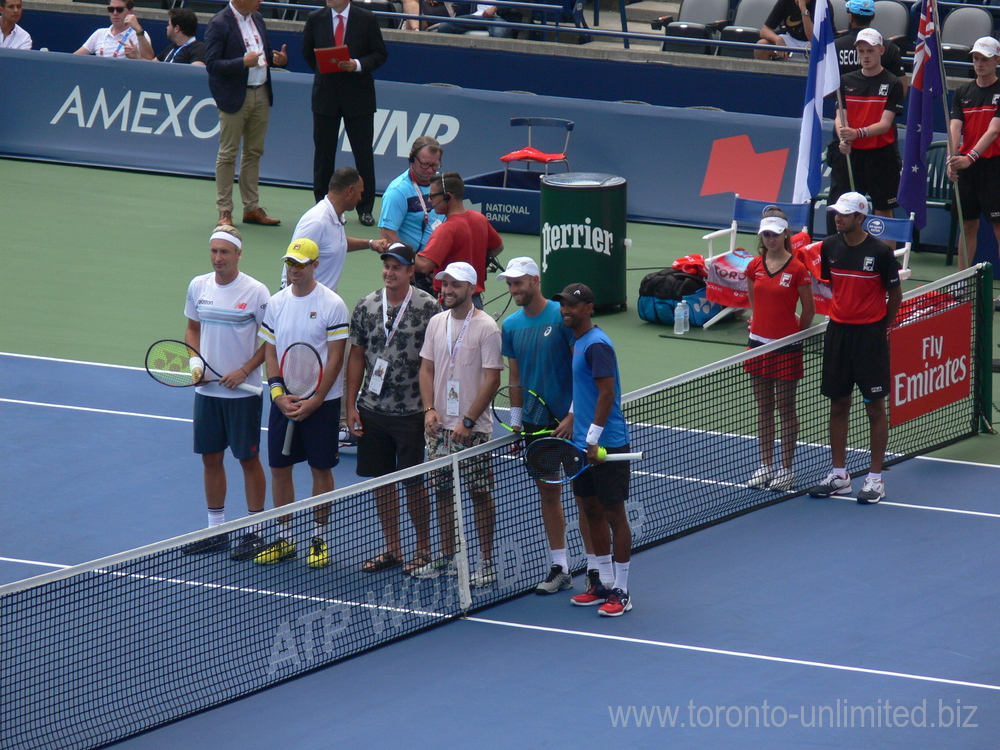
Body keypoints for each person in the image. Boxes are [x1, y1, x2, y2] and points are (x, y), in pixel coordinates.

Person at [497, 257, 597, 594]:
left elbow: (579, 368)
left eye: (519, 283)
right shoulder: (510, 325)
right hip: (534, 425)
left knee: (585, 497)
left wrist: (572, 414)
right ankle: (560, 567)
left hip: (571, 423)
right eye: (510, 284)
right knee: (549, 494)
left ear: (535, 281)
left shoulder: (561, 315)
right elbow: (514, 375)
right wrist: (515, 424)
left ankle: (595, 566)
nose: (514, 290)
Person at [345, 242, 440, 574]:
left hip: (412, 413)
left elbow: (435, 361)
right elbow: (356, 355)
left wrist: (432, 407)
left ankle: (424, 549)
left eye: (397, 267)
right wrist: (351, 406)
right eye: (386, 266)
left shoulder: (430, 307)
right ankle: (393, 549)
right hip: (372, 410)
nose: (389, 272)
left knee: (413, 483)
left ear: (410, 271)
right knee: (381, 482)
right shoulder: (366, 305)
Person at [257, 238, 350, 568]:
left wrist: (316, 400)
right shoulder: (276, 302)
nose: (293, 270)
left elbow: (337, 359)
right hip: (284, 400)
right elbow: (270, 351)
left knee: (320, 469)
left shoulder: (332, 304)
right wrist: (277, 394)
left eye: (300, 264)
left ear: (315, 266)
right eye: (290, 263)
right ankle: (285, 538)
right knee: (279, 469)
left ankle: (319, 538)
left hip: (321, 405)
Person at [182, 225, 270, 560]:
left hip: (244, 394)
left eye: (225, 252)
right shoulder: (198, 286)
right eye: (214, 251)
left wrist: (245, 370)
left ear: (238, 254)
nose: (218, 258)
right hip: (207, 393)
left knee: (248, 459)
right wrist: (196, 365)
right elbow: (192, 328)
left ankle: (255, 531)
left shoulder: (257, 292)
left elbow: (270, 340)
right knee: (210, 458)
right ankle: (216, 530)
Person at [809, 192, 901, 504]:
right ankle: (840, 476)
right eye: (837, 212)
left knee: (875, 407)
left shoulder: (880, 252)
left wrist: (881, 325)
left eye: (845, 214)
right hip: (838, 334)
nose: (838, 217)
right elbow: (835, 286)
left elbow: (895, 295)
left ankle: (875, 479)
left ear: (860, 218)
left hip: (870, 336)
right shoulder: (829, 246)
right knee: (838, 405)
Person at [416, 261, 504, 586]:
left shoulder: (487, 327)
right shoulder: (436, 322)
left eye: (455, 285)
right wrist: (429, 410)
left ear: (472, 288)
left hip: (474, 431)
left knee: (479, 493)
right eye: (445, 284)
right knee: (441, 492)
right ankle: (449, 557)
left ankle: (486, 562)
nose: (447, 290)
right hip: (439, 430)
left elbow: (492, 380)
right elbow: (426, 369)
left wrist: (467, 420)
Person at [554, 283, 634, 617]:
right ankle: (601, 582)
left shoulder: (597, 344)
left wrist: (592, 438)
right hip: (584, 443)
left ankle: (622, 590)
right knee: (590, 509)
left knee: (614, 514)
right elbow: (584, 389)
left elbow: (606, 393)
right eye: (563, 306)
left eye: (572, 306)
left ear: (589, 307)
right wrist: (574, 416)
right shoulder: (579, 342)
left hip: (606, 443)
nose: (566, 311)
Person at [743, 212, 815, 492]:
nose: (770, 239)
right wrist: (759, 323)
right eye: (766, 235)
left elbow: (808, 310)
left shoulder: (798, 269)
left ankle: (786, 469)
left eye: (775, 234)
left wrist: (794, 337)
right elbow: (754, 301)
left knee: (786, 409)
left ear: (786, 234)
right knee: (764, 409)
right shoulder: (754, 267)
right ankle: (765, 466)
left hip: (787, 348)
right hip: (757, 345)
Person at [302, 0, 387, 226]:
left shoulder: (367, 19)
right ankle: (324, 206)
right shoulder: (315, 19)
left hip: (358, 98)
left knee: (363, 156)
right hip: (325, 97)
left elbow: (380, 53)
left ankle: (365, 208)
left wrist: (357, 64)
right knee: (323, 155)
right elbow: (308, 53)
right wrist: (326, 71)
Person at [205, 0, 288, 227]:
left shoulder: (257, 18)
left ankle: (251, 208)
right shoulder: (219, 23)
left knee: (253, 152)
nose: (260, 1)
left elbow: (264, 53)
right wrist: (242, 62)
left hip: (260, 92)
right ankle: (224, 211)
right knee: (228, 153)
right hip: (234, 96)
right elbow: (212, 64)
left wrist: (275, 59)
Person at [829, 29, 904, 233]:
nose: (865, 56)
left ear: (881, 50)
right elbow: (840, 116)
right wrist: (843, 137)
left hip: (882, 156)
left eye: (870, 51)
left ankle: (886, 258)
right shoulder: (845, 81)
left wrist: (856, 133)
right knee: (844, 209)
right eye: (861, 51)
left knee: (883, 209)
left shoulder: (893, 83)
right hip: (851, 155)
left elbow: (885, 124)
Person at [281, 167, 390, 293]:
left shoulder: (336, 216)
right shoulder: (317, 222)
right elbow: (293, 263)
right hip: (303, 301)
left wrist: (370, 244)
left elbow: (335, 242)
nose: (360, 198)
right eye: (360, 192)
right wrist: (293, 302)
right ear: (350, 191)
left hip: (320, 301)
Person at [415, 171, 503, 307]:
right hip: (475, 301)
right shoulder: (480, 219)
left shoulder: (446, 230)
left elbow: (424, 265)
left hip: (451, 302)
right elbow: (498, 247)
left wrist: (400, 253)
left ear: (447, 196)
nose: (430, 201)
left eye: (432, 196)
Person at [947, 37, 1000, 262]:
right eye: (976, 59)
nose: (979, 64)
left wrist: (970, 157)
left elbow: (994, 130)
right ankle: (962, 286)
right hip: (967, 167)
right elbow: (955, 127)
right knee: (967, 225)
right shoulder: (962, 92)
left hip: (994, 166)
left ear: (997, 60)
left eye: (985, 59)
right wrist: (951, 158)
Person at [378, 136, 445, 293]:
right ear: (411, 159)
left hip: (442, 266)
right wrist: (413, 264)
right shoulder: (397, 192)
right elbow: (387, 234)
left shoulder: (441, 182)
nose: (430, 170)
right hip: (418, 270)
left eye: (435, 165)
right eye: (425, 164)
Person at [835, 0, 906, 89]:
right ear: (873, 17)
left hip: (844, 101)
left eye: (870, 51)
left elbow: (827, 87)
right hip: (879, 101)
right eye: (861, 51)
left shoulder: (835, 46)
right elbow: (901, 85)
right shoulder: (890, 48)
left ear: (851, 17)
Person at [74, 0, 154, 60]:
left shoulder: (139, 34)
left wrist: (139, 30)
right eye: (111, 9)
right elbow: (74, 57)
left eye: (119, 9)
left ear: (130, 12)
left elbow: (149, 60)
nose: (115, 13)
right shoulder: (100, 33)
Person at [434, 3, 520, 38]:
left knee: (500, 33)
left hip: (497, 18)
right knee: (445, 27)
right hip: (475, 16)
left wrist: (496, 7)